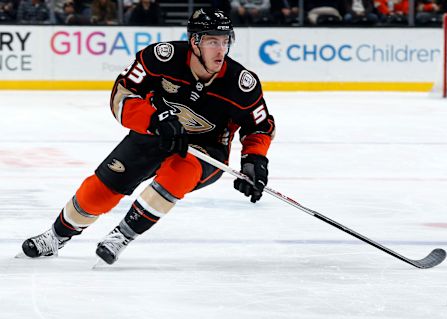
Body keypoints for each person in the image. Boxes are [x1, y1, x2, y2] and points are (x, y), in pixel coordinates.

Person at [21, 8, 276, 265]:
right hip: (156, 133)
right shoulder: (161, 58)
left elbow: (259, 127)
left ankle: (121, 235)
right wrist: (154, 121)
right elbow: (121, 96)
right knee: (100, 190)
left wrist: (254, 161)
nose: (221, 50)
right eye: (212, 41)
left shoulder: (241, 84)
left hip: (206, 149)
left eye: (225, 41)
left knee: (180, 170)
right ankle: (55, 237)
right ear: (194, 42)